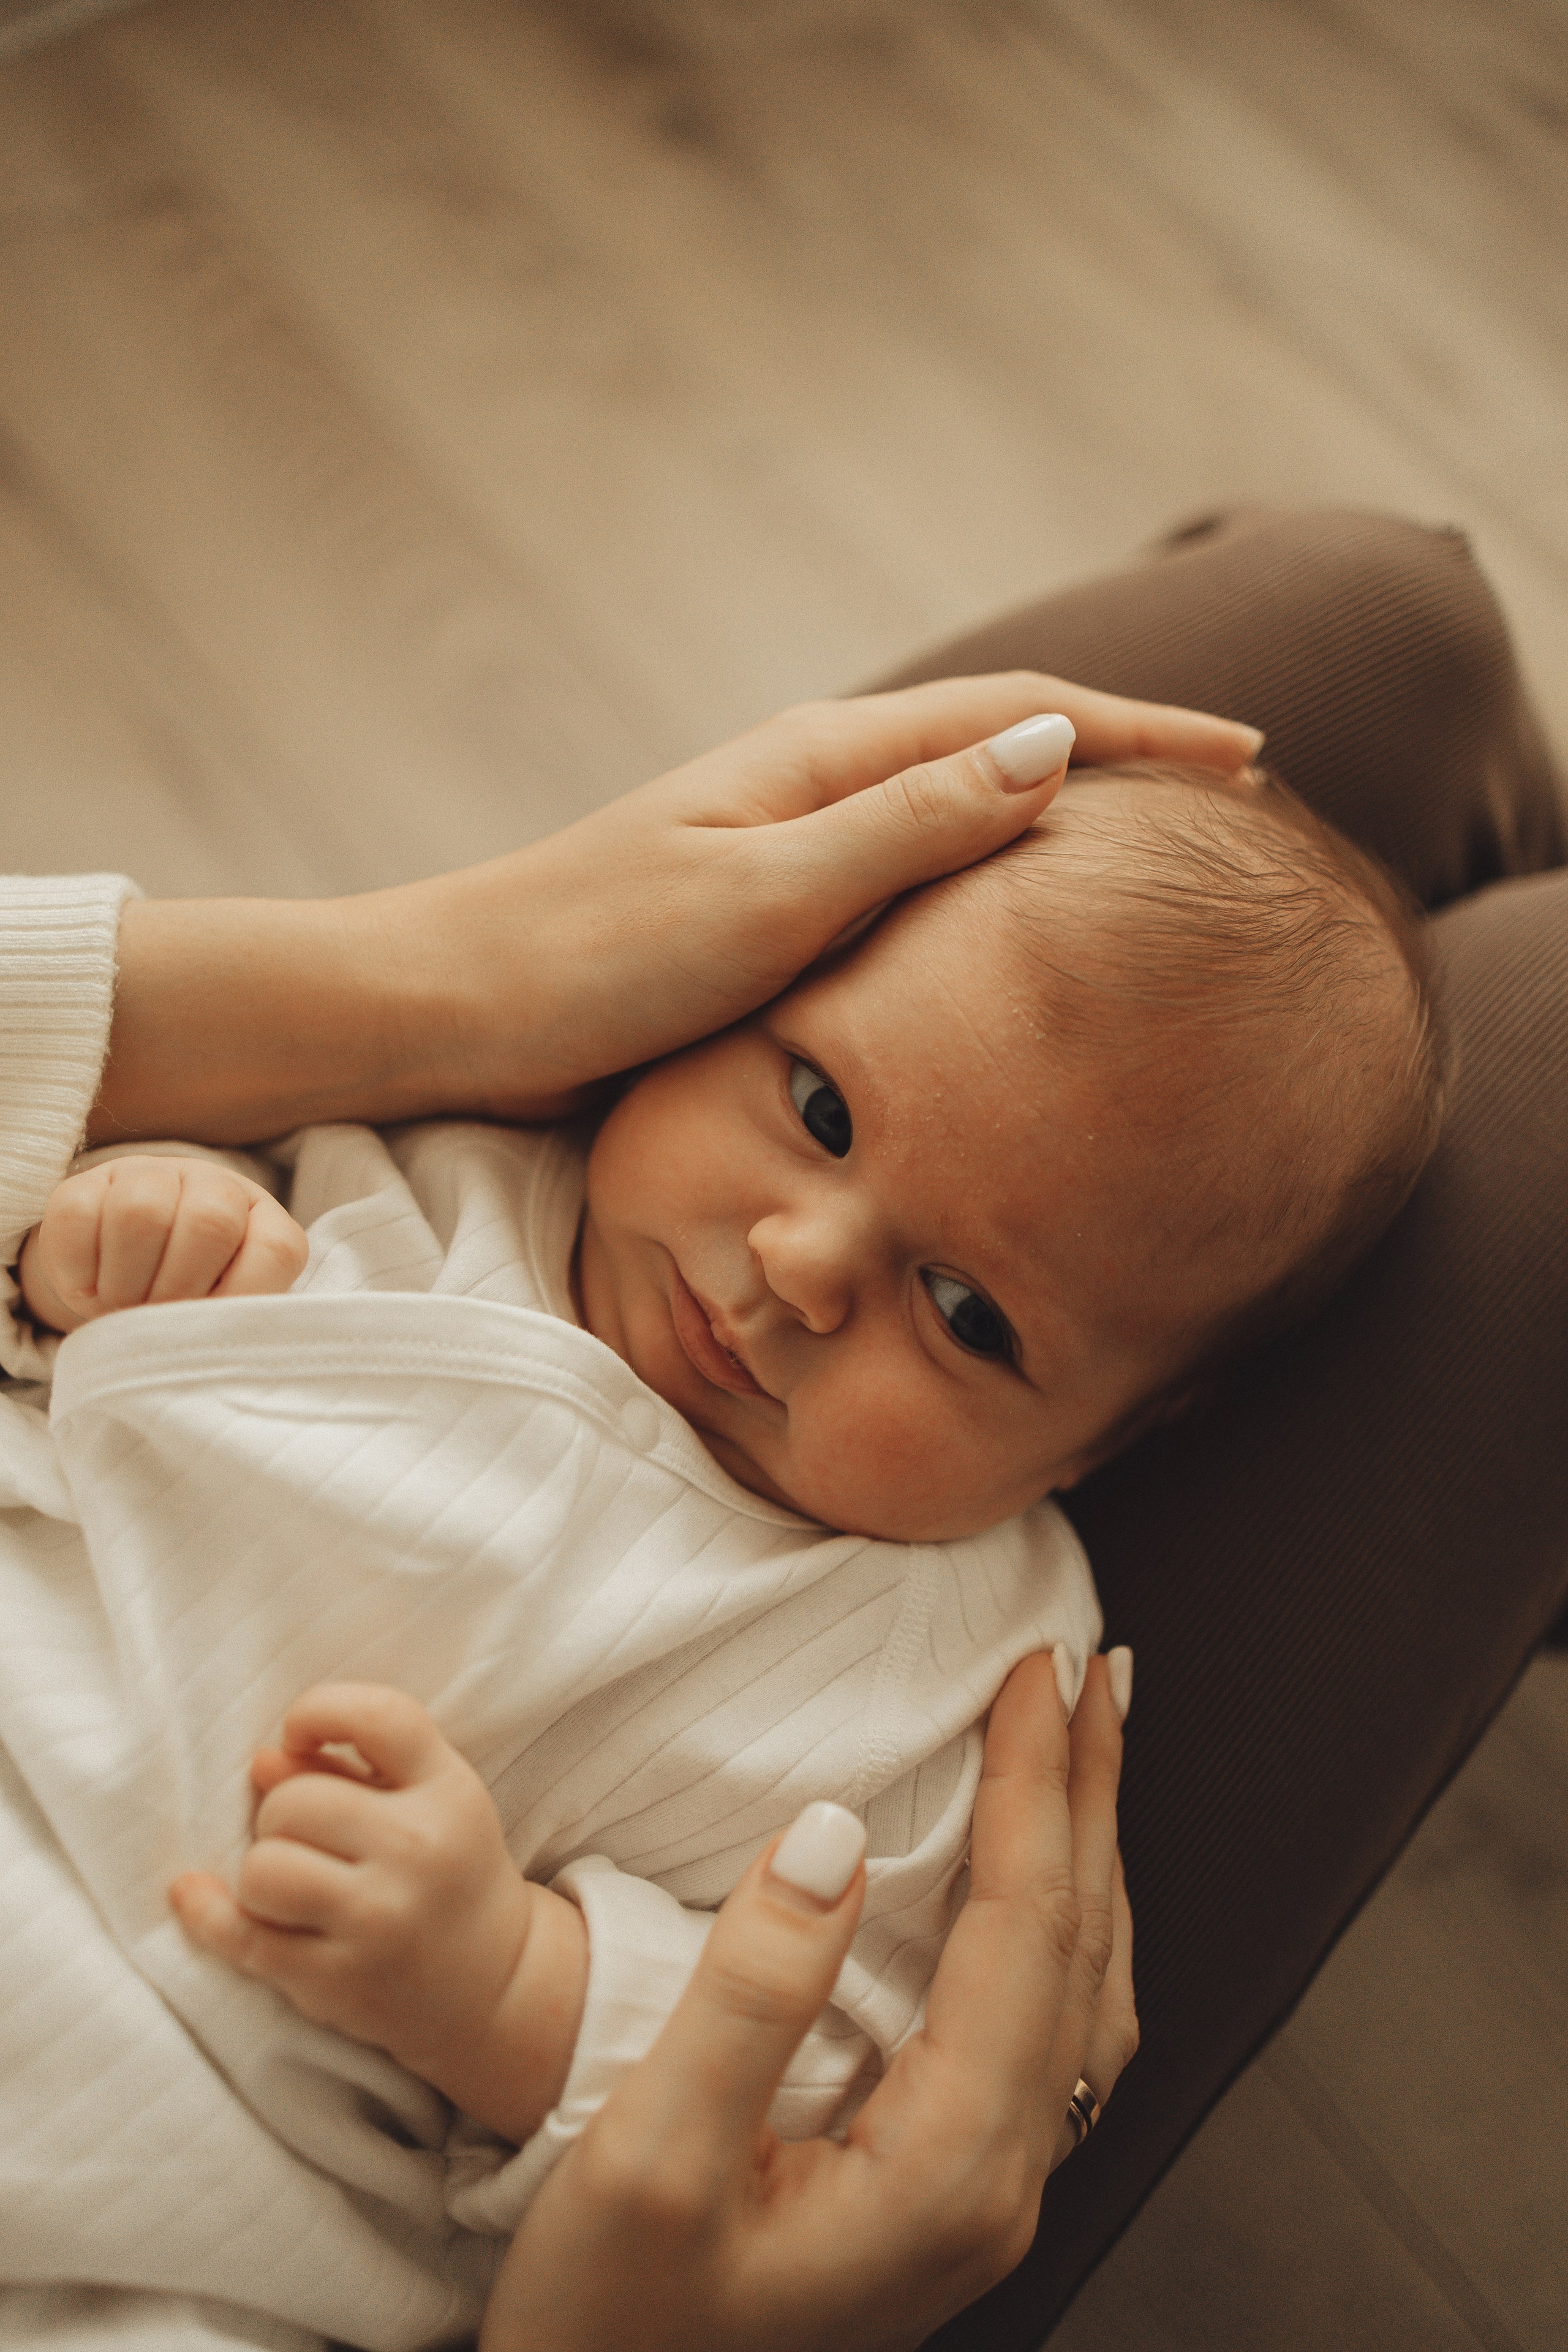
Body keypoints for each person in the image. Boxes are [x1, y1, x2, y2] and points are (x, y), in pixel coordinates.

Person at [2, 506, 1562, 2351]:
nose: (802, 1268)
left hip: (204, 2148)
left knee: (1384, 640)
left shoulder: (940, 1664)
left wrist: (513, 1989)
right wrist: (111, 1246)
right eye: (817, 1104)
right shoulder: (436, 1178)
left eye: (974, 1318)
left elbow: (856, 2043)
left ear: (1110, 1445)